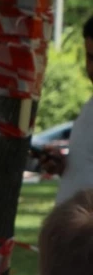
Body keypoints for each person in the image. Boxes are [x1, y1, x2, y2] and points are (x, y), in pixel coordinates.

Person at [49, 16, 93, 205]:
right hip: (75, 230)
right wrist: (66, 165)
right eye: (90, 57)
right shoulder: (89, 107)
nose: (92, 68)